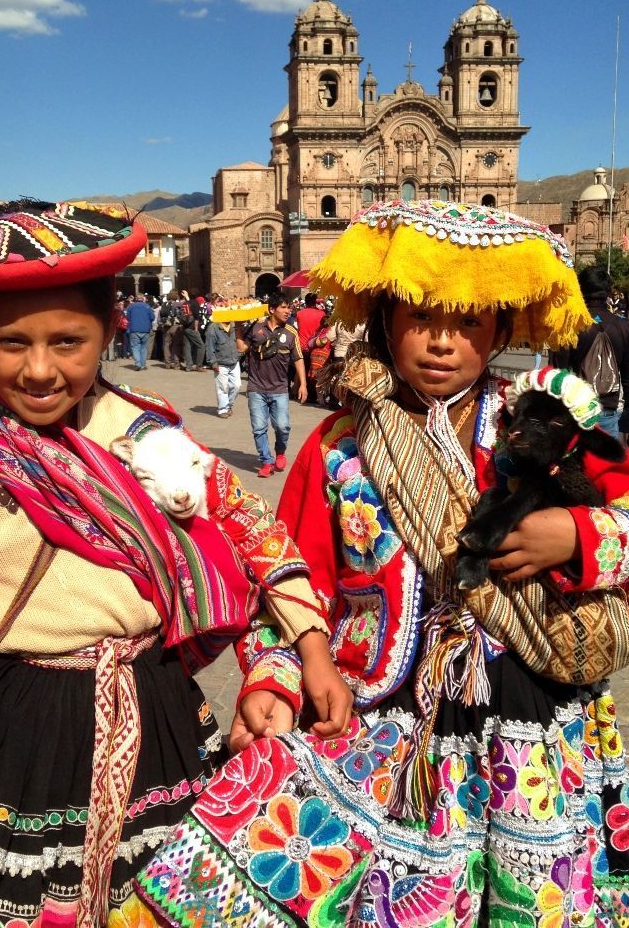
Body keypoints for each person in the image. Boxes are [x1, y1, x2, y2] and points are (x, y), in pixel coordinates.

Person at [137, 198, 629, 925]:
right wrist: (285, 675)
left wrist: (579, 538)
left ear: (498, 330)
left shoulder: (548, 429)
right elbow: (289, 580)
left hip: (531, 706)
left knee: (536, 891)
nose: (442, 342)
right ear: (383, 321)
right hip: (382, 710)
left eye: (467, 322)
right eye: (420, 319)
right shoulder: (339, 447)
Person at [0, 199, 350, 924]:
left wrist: (302, 658)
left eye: (69, 342)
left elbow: (258, 542)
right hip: (17, 740)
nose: (41, 370)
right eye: (11, 344)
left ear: (109, 328)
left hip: (161, 720)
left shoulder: (153, 440)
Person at [554, 265, 629, 441]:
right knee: (604, 466)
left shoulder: (569, 326)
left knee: (574, 467)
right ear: (608, 292)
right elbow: (628, 379)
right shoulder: (624, 327)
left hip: (575, 413)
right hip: (609, 414)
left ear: (580, 289)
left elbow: (558, 375)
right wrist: (626, 424)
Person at [238, 292, 306, 478]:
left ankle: (280, 451)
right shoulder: (256, 328)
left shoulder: (291, 332)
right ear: (272, 309)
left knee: (283, 427)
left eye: (289, 307)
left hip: (280, 389)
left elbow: (298, 358)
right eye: (283, 307)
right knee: (259, 428)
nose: (288, 311)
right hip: (256, 388)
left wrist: (303, 384)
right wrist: (237, 327)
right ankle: (266, 461)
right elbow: (242, 348)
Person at [205, 313, 241, 418]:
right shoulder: (213, 328)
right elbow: (209, 347)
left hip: (234, 361)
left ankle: (229, 404)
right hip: (221, 363)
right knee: (222, 387)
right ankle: (222, 409)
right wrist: (213, 362)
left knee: (236, 386)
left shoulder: (234, 326)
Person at [125, 291, 155, 371]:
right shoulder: (147, 307)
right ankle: (143, 364)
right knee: (144, 348)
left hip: (134, 329)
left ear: (136, 299)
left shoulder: (131, 307)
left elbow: (128, 317)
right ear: (143, 299)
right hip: (145, 330)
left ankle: (138, 363)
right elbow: (152, 317)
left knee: (135, 347)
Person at [181, 290, 206, 372]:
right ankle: (199, 366)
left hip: (185, 326)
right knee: (201, 346)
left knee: (187, 347)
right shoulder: (195, 303)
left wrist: (186, 296)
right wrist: (196, 329)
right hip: (192, 328)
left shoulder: (185, 303)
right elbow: (197, 318)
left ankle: (189, 366)